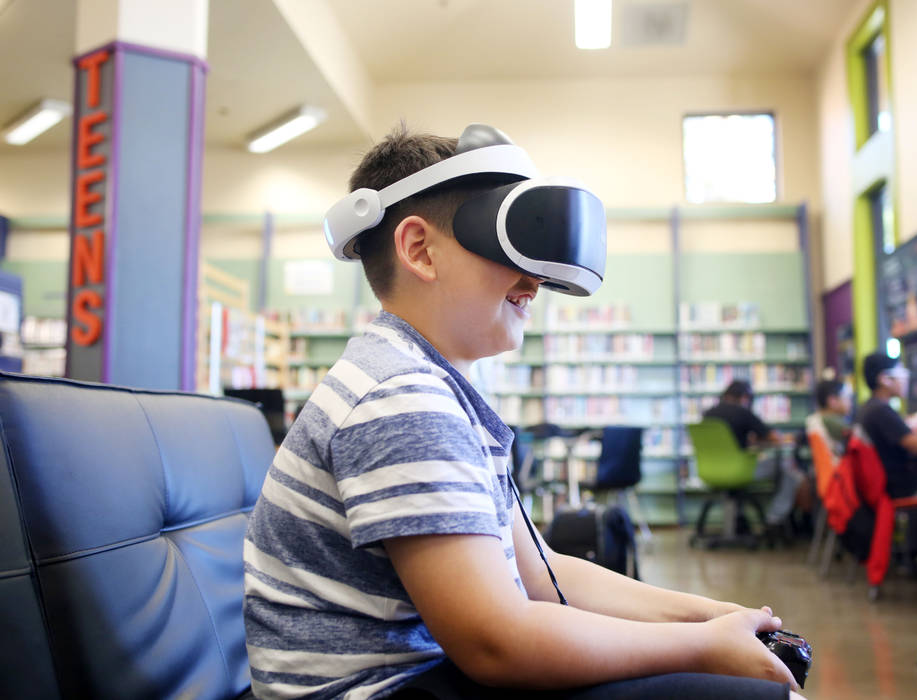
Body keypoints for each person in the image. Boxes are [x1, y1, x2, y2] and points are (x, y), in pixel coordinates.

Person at [243, 124, 804, 700]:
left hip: (423, 676)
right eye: (510, 245)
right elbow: (496, 642)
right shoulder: (400, 398)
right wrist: (705, 648)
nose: (535, 280)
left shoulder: (425, 382)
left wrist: (708, 617)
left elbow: (542, 573)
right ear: (418, 250)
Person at [855, 352, 917, 576]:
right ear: (885, 380)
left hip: (894, 483)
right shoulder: (881, 411)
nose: (906, 378)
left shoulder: (871, 408)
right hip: (902, 486)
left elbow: (909, 436)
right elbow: (916, 445)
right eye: (901, 373)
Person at [703, 380, 806, 532]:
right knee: (788, 467)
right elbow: (774, 438)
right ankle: (775, 518)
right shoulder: (742, 412)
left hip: (709, 471)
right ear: (745, 398)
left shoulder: (708, 414)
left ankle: (740, 519)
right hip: (739, 470)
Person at [805, 379, 851, 456]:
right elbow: (854, 436)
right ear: (832, 400)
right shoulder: (830, 421)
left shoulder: (816, 419)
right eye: (846, 397)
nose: (849, 402)